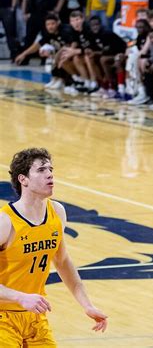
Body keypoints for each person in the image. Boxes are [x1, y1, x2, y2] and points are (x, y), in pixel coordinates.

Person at [0, 148, 107, 346]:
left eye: (50, 169)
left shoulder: (57, 212)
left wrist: (87, 305)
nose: (49, 174)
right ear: (23, 179)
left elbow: (63, 261)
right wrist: (20, 297)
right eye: (41, 170)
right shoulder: (5, 222)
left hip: (34, 316)